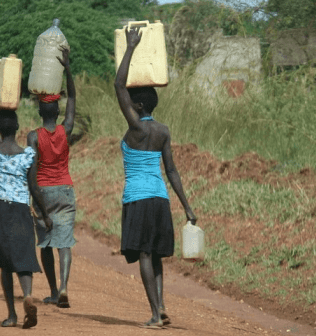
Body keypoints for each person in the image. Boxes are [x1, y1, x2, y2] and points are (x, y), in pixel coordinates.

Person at [114, 27, 197, 329]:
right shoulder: (162, 131)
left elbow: (118, 85)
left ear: (137, 107)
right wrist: (186, 206)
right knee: (157, 256)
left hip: (137, 198)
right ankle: (160, 305)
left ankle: (154, 313)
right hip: (160, 198)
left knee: (145, 256)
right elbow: (172, 171)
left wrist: (131, 46)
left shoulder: (137, 129)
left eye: (131, 102)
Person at [0, 65, 42, 329]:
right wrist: (44, 214)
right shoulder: (28, 154)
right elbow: (34, 187)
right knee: (25, 257)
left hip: (1, 211)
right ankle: (28, 295)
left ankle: (12, 314)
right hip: (21, 209)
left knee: (5, 262)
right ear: (18, 128)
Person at [27, 46, 77, 308]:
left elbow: (32, 173)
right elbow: (73, 101)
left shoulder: (33, 136)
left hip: (44, 191)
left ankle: (55, 291)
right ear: (57, 114)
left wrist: (34, 200)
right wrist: (67, 68)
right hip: (65, 189)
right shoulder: (66, 130)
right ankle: (66, 286)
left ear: (39, 113)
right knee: (64, 242)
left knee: (46, 243)